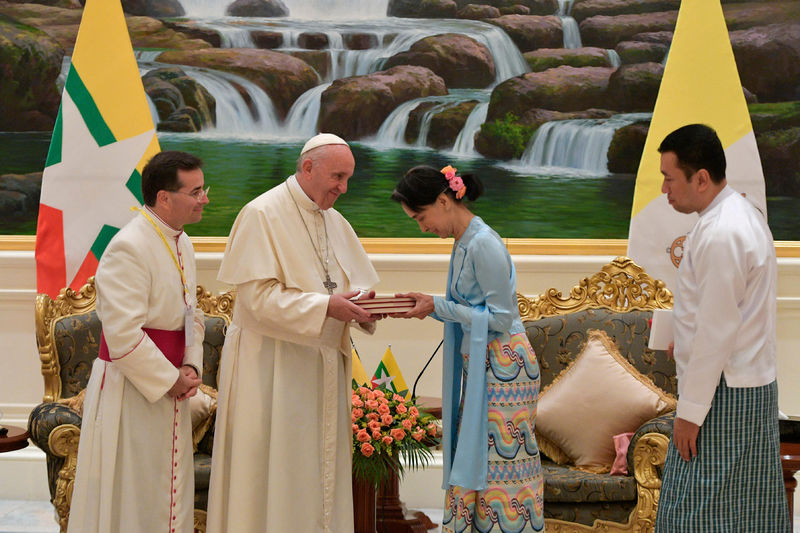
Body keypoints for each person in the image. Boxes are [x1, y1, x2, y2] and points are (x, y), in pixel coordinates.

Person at [207, 133, 380, 533]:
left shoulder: (334, 220)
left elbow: (351, 285)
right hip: (271, 367)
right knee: (274, 472)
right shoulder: (262, 214)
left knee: (318, 470)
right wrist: (326, 307)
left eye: (349, 178)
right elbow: (256, 300)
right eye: (338, 176)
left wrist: (365, 306)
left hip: (322, 367)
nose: (343, 187)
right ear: (308, 167)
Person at [390, 165, 545, 533]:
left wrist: (436, 306)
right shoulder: (464, 241)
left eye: (421, 217)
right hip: (484, 364)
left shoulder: (483, 242)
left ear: (444, 201)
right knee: (479, 459)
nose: (422, 227)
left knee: (500, 467)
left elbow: (501, 318)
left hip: (506, 367)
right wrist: (430, 305)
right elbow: (473, 306)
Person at [654, 124, 789, 532]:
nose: (664, 189)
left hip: (722, 395)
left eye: (669, 178)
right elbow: (724, 313)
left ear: (701, 178)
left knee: (691, 515)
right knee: (745, 515)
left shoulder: (722, 232)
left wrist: (690, 414)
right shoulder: (738, 214)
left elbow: (717, 329)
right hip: (745, 387)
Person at [67, 151, 209, 533]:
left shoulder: (183, 242)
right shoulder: (129, 245)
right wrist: (170, 378)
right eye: (195, 191)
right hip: (133, 390)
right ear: (165, 197)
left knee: (166, 492)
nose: (204, 198)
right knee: (135, 493)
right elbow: (122, 334)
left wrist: (191, 366)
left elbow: (190, 317)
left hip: (172, 383)